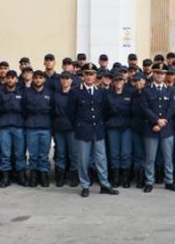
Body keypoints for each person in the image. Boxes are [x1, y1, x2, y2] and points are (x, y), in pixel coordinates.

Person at [67, 63, 119, 197]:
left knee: (101, 159)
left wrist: (101, 124)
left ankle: (104, 184)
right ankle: (85, 185)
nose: (89, 77)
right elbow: (70, 112)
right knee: (83, 160)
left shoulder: (101, 92)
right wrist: (79, 125)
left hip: (98, 129)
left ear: (96, 76)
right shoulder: (75, 91)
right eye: (86, 74)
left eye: (92, 74)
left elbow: (106, 110)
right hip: (83, 130)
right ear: (83, 75)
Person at [139, 63, 175, 193]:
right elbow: (144, 108)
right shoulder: (147, 90)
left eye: (162, 73)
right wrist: (156, 121)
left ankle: (169, 181)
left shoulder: (170, 90)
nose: (160, 75)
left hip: (166, 128)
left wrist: (163, 121)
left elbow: (172, 108)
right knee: (150, 158)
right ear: (153, 73)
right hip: (151, 128)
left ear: (165, 75)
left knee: (168, 157)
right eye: (157, 72)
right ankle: (149, 181)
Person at [0, 70, 27, 187]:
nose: (10, 80)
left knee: (19, 153)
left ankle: (21, 176)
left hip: (18, 126)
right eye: (8, 78)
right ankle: (5, 177)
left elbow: (25, 109)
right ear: (5, 79)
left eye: (13, 78)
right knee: (5, 153)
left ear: (16, 80)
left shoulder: (22, 92)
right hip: (4, 126)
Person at [23, 71, 53, 187]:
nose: (38, 80)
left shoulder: (49, 93)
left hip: (45, 126)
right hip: (31, 127)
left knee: (44, 154)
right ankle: (33, 175)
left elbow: (52, 110)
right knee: (33, 154)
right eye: (36, 78)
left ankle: (43, 175)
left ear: (44, 80)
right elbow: (23, 109)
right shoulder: (27, 93)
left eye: (40, 78)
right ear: (33, 79)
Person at [104, 72, 133, 188]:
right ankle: (116, 178)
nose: (118, 83)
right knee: (114, 153)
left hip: (126, 127)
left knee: (126, 153)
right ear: (113, 82)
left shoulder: (129, 94)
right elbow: (105, 111)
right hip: (113, 126)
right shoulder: (108, 94)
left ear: (124, 81)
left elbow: (132, 111)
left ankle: (125, 178)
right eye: (116, 80)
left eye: (121, 80)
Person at [52, 71, 78, 187]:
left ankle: (74, 176)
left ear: (71, 80)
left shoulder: (75, 94)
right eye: (62, 78)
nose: (65, 80)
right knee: (61, 153)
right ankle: (60, 176)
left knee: (73, 154)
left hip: (72, 128)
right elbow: (51, 110)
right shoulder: (55, 95)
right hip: (59, 127)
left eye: (67, 78)